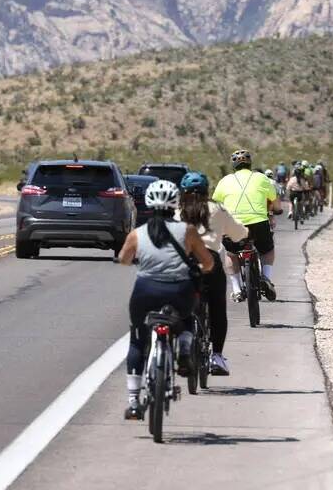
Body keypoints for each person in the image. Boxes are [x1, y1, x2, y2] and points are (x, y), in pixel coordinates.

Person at [116, 179, 214, 420]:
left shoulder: (137, 234)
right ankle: (182, 349)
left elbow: (124, 259)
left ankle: (133, 402)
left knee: (138, 340)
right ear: (175, 204)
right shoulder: (188, 231)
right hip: (180, 291)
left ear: (149, 204)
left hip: (145, 291)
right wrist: (200, 268)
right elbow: (208, 262)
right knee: (188, 319)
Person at [179, 171, 248, 376]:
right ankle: (217, 356)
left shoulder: (177, 210)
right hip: (210, 260)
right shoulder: (218, 209)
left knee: (179, 304)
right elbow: (238, 233)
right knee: (217, 308)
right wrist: (245, 235)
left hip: (184, 261)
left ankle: (181, 348)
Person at [212, 149, 280, 302]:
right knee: (267, 250)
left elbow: (217, 202)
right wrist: (278, 209)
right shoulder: (262, 178)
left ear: (233, 165)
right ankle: (266, 278)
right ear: (250, 164)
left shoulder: (225, 181)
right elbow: (274, 199)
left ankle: (236, 290)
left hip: (234, 224)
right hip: (258, 223)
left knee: (231, 253)